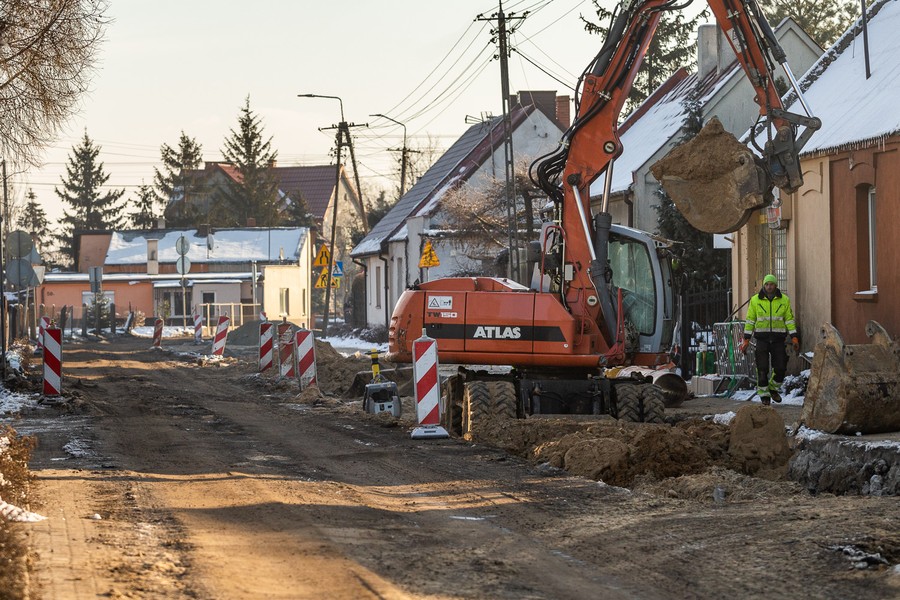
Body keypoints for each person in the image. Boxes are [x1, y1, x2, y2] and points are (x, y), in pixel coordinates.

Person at [739, 274, 799, 405]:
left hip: (778, 340)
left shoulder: (784, 300)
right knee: (762, 368)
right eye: (766, 284)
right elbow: (750, 321)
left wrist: (794, 337)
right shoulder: (755, 300)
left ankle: (773, 389)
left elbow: (789, 319)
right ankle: (764, 395)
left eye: (771, 284)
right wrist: (746, 340)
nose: (769, 286)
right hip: (762, 339)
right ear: (764, 286)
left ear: (776, 285)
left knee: (781, 368)